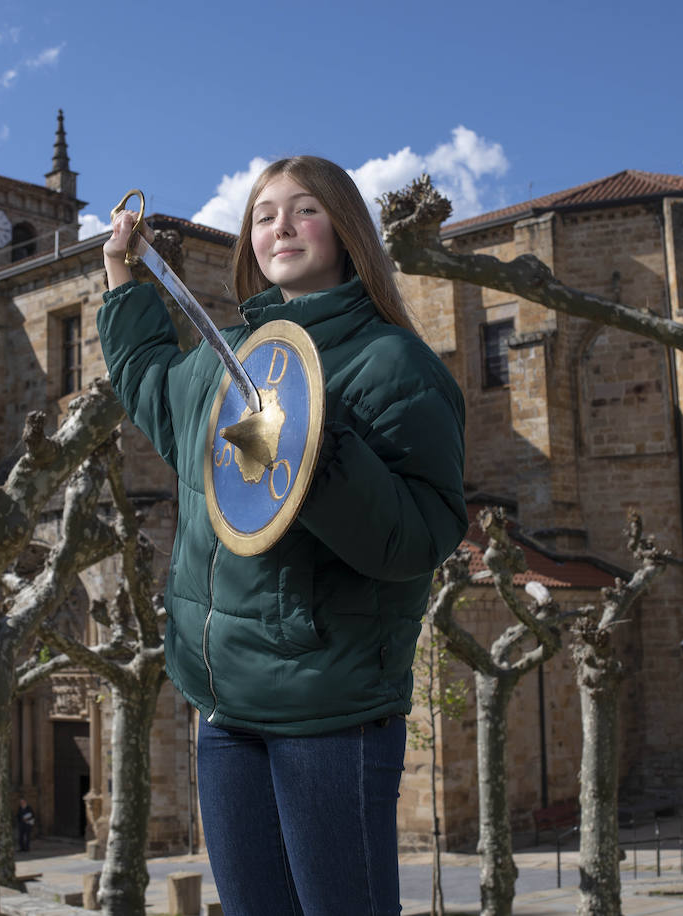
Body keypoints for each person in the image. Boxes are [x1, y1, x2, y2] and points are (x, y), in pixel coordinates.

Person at [98, 156, 467, 916]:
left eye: (304, 210)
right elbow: (154, 389)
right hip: (223, 711)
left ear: (345, 230)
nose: (281, 227)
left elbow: (417, 537)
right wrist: (120, 282)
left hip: (328, 714)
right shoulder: (227, 358)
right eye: (264, 215)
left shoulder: (393, 365)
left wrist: (309, 448)